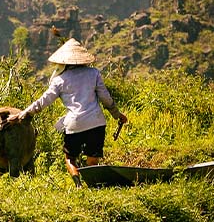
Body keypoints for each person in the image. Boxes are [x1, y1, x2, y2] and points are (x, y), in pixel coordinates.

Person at [7, 38, 127, 187]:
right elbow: (105, 98)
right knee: (92, 158)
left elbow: (43, 101)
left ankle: (78, 184)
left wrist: (22, 114)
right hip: (96, 122)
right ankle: (93, 184)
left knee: (70, 159)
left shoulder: (59, 80)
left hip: (74, 124)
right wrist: (117, 115)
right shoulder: (93, 73)